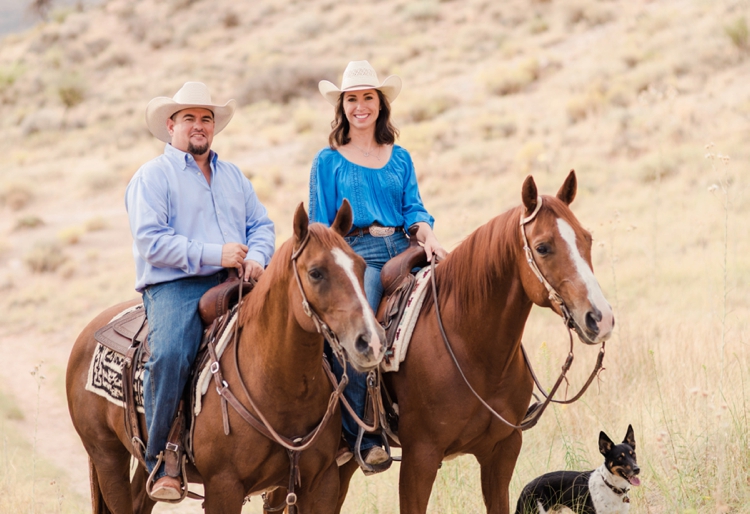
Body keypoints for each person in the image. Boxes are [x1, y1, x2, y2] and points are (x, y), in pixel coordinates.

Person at [125, 82, 275, 500]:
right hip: (176, 285)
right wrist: (218, 254)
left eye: (206, 118)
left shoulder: (233, 176)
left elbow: (261, 225)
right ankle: (162, 459)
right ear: (170, 125)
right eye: (189, 117)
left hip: (236, 281)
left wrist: (258, 257)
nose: (199, 125)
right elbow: (152, 242)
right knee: (172, 352)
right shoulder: (153, 177)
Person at [309, 60, 447, 474]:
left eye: (368, 97)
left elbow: (414, 209)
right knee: (355, 335)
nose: (360, 106)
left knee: (454, 303)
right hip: (357, 254)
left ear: (380, 105)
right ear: (343, 107)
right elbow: (320, 223)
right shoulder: (328, 161)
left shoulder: (400, 156)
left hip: (405, 247)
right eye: (352, 99)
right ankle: (363, 435)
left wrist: (429, 237)